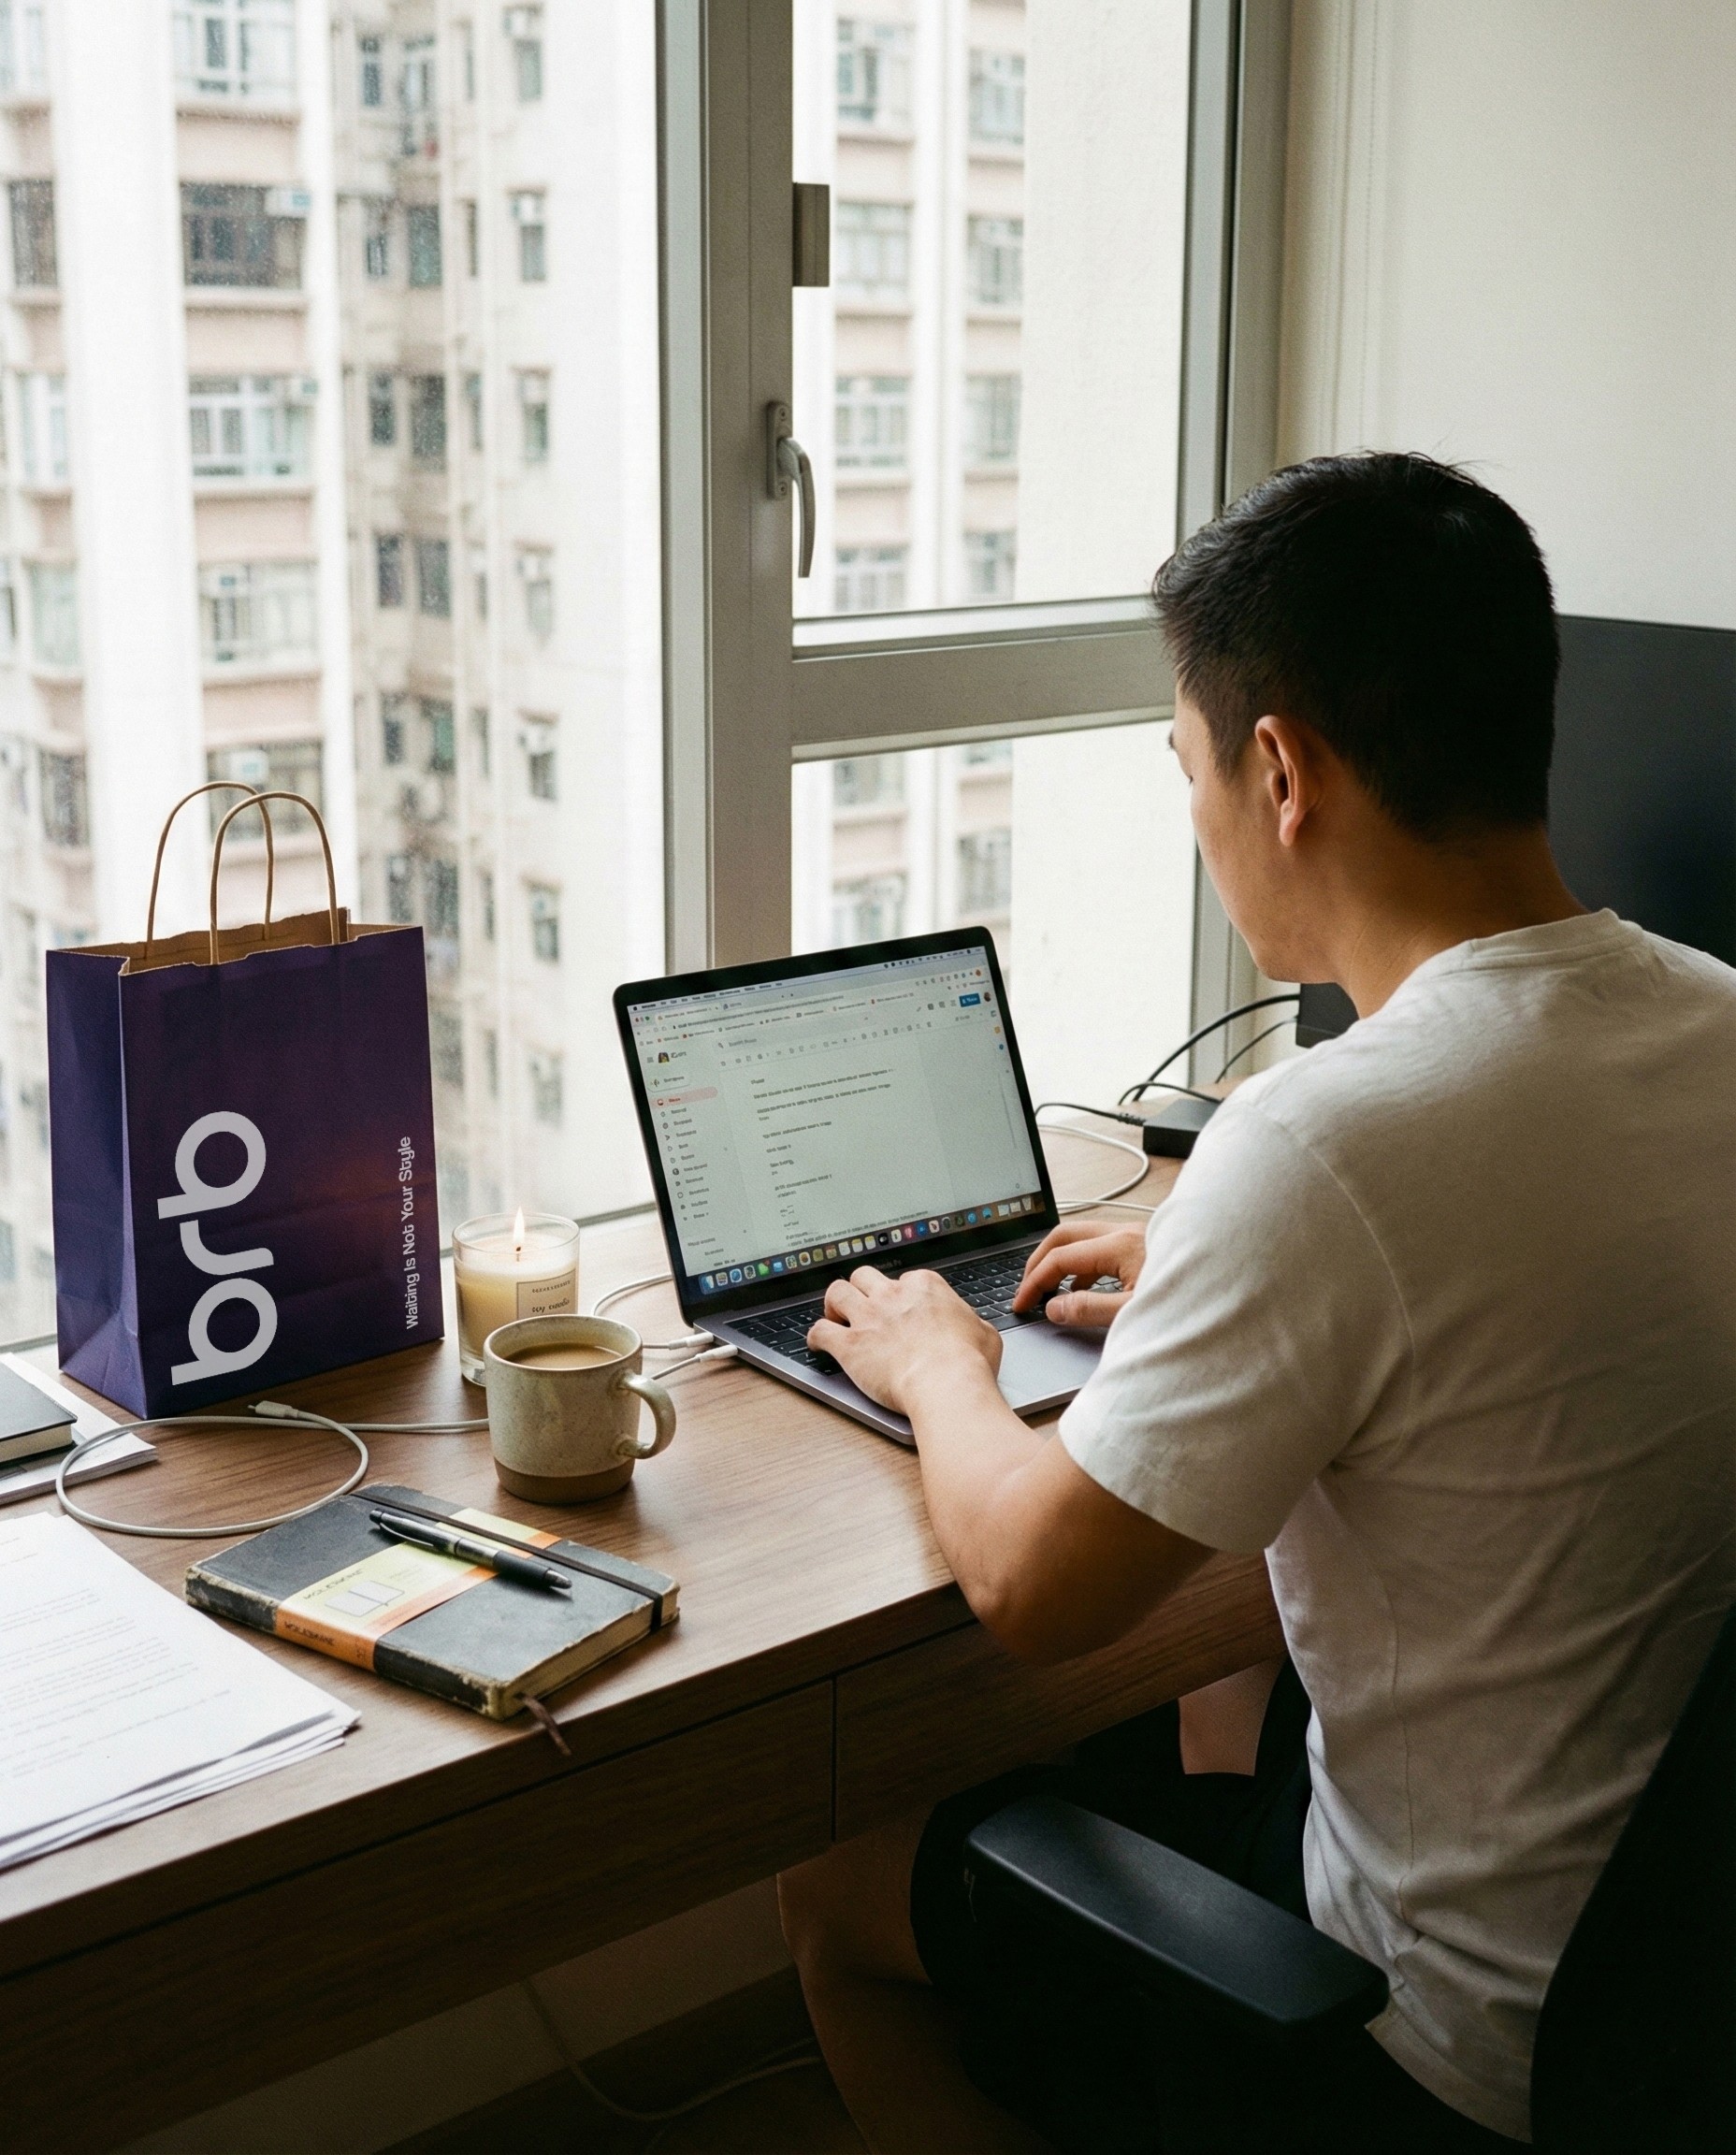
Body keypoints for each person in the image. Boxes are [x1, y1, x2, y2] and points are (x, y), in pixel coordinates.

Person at [776, 452, 1736, 2153]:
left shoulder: (1328, 1140)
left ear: (1278, 770)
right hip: (1668, 1990)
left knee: (837, 1894)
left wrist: (941, 1366)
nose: (1202, 820)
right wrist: (1232, 1281)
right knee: (1220, 1702)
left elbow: (1034, 1589)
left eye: (1190, 770)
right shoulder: (1711, 1019)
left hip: (1438, 2044)